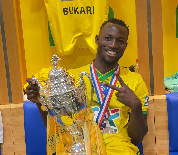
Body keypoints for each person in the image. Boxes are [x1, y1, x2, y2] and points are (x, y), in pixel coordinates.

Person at [26, 18, 149, 155]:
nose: (113, 45)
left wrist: (136, 106)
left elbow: (137, 138)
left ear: (125, 45)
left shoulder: (135, 81)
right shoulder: (72, 78)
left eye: (120, 41)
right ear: (97, 40)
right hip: (79, 149)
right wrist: (40, 102)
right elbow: (60, 126)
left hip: (119, 150)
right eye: (108, 38)